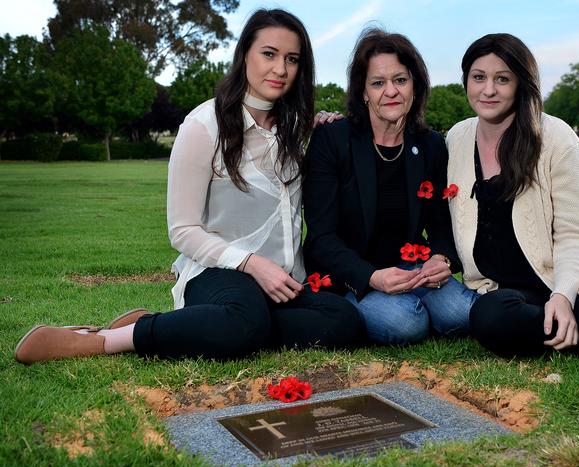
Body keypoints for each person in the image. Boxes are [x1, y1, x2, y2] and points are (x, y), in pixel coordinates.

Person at [14, 9, 364, 365]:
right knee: (246, 317)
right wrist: (252, 263)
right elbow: (182, 230)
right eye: (269, 54)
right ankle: (109, 338)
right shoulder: (203, 125)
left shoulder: (294, 129)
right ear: (245, 54)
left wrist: (324, 127)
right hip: (218, 273)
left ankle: (207, 328)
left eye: (292, 59)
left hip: (281, 282)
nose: (280, 69)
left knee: (344, 320)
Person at [446, 33, 579, 371]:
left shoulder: (556, 137)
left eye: (502, 79)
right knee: (489, 318)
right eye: (478, 77)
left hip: (577, 275)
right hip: (517, 294)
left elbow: (574, 233)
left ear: (521, 83)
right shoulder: (456, 138)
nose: (489, 90)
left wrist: (563, 296)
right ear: (466, 80)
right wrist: (335, 123)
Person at [302, 29, 478, 346]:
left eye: (400, 80)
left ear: (415, 85)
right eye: (378, 83)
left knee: (462, 314)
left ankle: (418, 304)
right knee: (406, 323)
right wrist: (371, 277)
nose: (391, 91)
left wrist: (441, 259)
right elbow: (321, 237)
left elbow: (440, 219)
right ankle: (369, 304)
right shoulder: (333, 139)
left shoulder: (431, 145)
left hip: (410, 265)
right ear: (363, 92)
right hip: (352, 272)